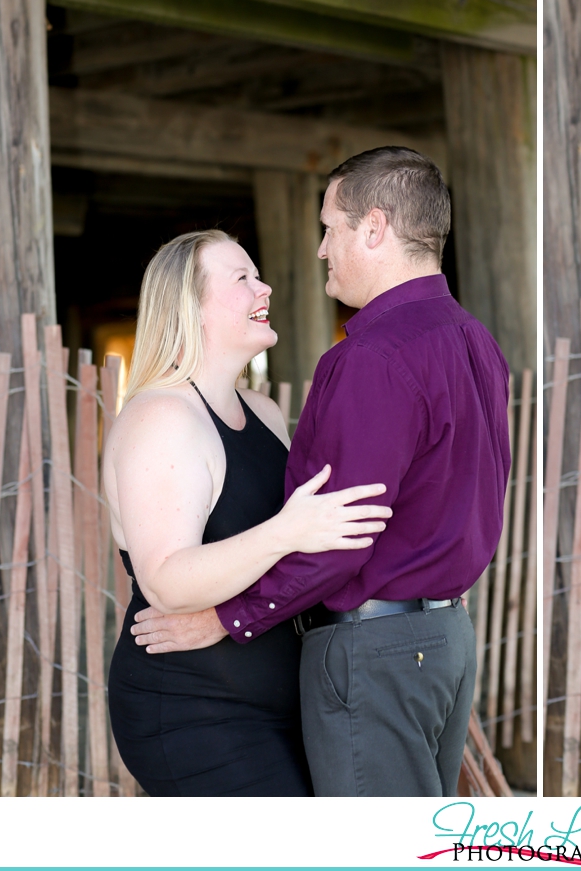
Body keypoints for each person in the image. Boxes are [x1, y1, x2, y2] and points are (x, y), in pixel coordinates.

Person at [130, 149, 512, 799]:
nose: (319, 249)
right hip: (447, 639)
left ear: (374, 227)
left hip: (377, 652)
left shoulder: (368, 357)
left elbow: (338, 534)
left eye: (330, 226)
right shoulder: (475, 339)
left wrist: (230, 617)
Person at [104, 230, 392, 797]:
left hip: (283, 708)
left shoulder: (261, 410)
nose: (264, 287)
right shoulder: (163, 416)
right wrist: (287, 531)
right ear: (193, 309)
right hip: (195, 712)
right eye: (242, 279)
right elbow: (166, 580)